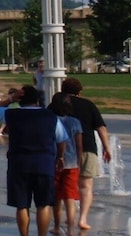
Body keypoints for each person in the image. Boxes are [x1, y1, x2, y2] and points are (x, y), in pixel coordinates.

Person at [4, 85, 69, 236]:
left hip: (18, 165)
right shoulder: (50, 116)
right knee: (43, 204)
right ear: (38, 101)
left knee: (21, 205)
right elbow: (62, 138)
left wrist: (11, 98)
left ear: (20, 100)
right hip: (44, 164)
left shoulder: (11, 114)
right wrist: (60, 157)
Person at [61, 77, 111, 231]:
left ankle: (68, 217)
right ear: (80, 92)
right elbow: (101, 128)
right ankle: (82, 219)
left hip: (64, 151)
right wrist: (106, 147)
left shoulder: (57, 105)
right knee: (86, 186)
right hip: (87, 148)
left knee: (65, 186)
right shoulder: (88, 105)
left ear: (62, 90)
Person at [48, 92, 83, 234]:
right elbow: (79, 145)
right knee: (69, 196)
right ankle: (70, 227)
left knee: (56, 196)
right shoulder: (75, 122)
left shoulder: (50, 121)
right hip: (72, 163)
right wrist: (79, 161)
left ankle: (56, 226)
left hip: (53, 162)